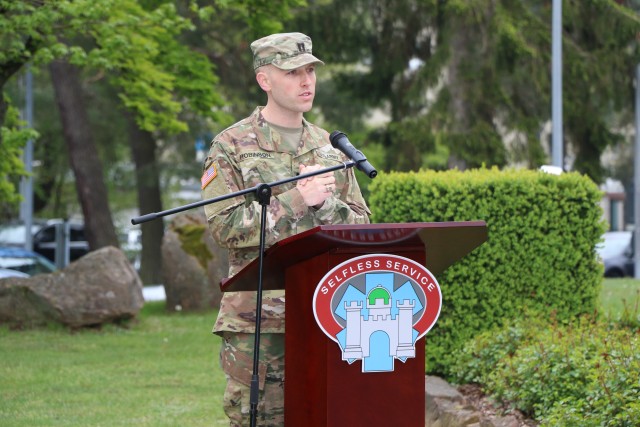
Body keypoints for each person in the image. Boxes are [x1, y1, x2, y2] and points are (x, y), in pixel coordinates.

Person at [201, 32, 370, 426]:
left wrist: (323, 202)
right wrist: (295, 198)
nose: (306, 80)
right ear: (265, 80)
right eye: (293, 72)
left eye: (310, 70)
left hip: (331, 313)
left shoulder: (330, 148)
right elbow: (226, 228)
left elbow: (362, 226)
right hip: (259, 321)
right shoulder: (231, 146)